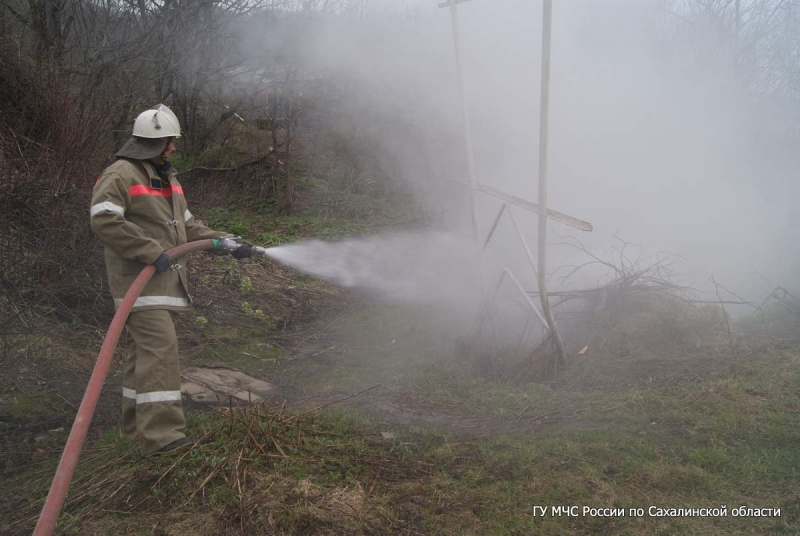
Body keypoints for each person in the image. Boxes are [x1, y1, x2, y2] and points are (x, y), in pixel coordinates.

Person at [90, 104, 253, 456]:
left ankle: (135, 430)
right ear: (157, 143)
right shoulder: (121, 175)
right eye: (171, 143)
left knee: (142, 356)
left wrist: (226, 241)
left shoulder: (167, 179)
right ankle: (163, 437)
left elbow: (190, 227)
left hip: (160, 285)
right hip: (138, 283)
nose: (175, 149)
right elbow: (104, 220)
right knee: (161, 351)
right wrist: (150, 251)